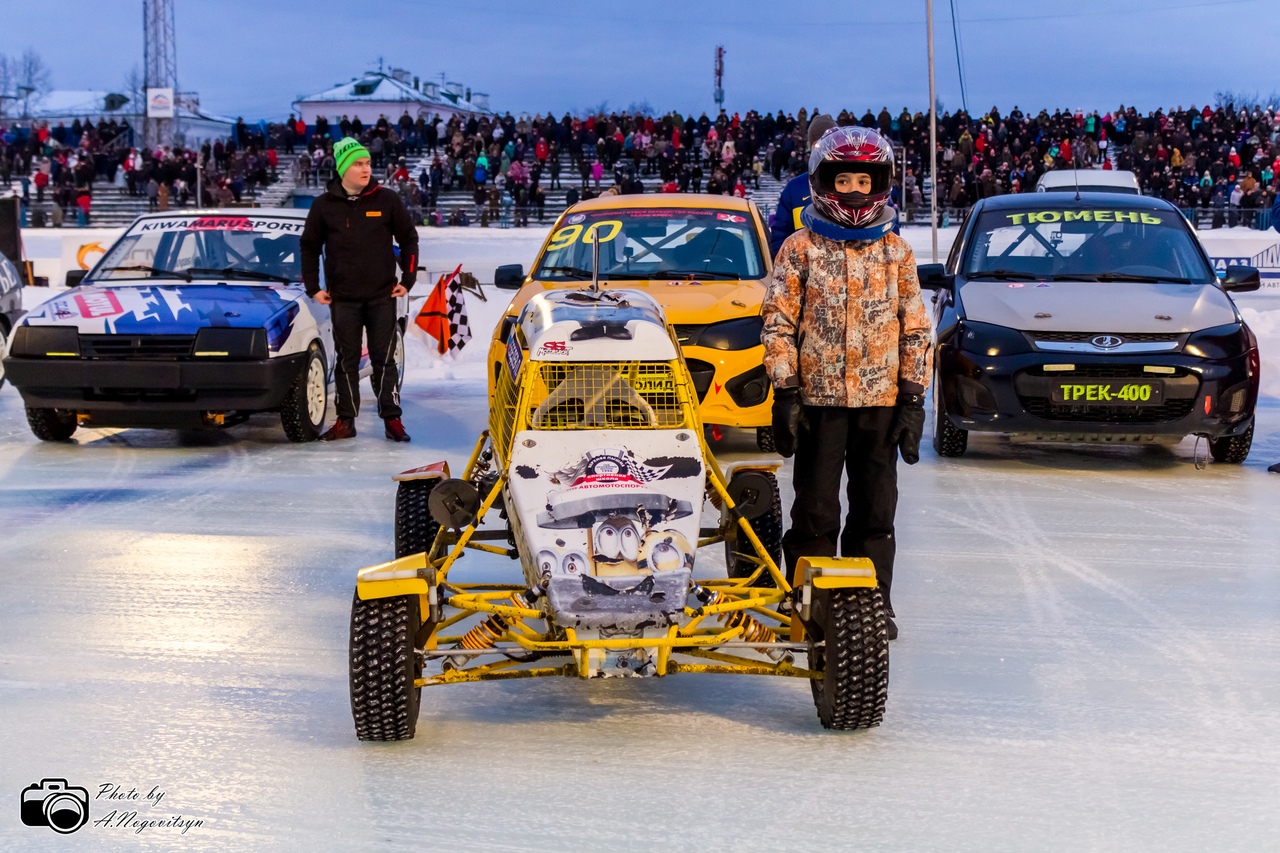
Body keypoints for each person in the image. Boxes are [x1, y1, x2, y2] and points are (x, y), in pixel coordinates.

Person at [762, 126, 933, 641]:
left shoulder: (896, 252)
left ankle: (872, 604)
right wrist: (786, 390)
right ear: (823, 182)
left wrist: (913, 396)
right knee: (815, 510)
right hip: (819, 402)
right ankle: (809, 607)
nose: (856, 190)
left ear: (880, 183)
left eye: (865, 179)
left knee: (875, 510)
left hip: (880, 403)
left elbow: (915, 325)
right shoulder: (799, 249)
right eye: (845, 180)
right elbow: (778, 321)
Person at [300, 137, 419, 442]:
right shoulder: (323, 206)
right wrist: (314, 286)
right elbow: (309, 247)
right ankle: (345, 421)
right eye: (358, 164)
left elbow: (409, 239)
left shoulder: (386, 200)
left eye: (367, 163)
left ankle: (392, 419)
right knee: (346, 360)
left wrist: (407, 280)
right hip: (344, 299)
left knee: (384, 359)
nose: (366, 169)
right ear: (343, 169)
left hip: (382, 296)